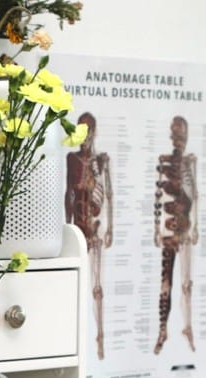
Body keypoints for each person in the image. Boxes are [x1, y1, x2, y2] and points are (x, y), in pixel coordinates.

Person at [65, 112, 112, 360]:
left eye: (88, 130)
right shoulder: (71, 159)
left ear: (94, 133)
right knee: (75, 285)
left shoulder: (101, 161)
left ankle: (99, 338)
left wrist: (110, 227)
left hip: (94, 228)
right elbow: (68, 194)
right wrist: (65, 227)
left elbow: (109, 195)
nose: (84, 135)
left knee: (96, 286)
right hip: (77, 230)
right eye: (81, 129)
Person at [152, 115, 199, 354]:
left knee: (186, 284)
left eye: (182, 134)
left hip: (184, 230)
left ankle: (188, 328)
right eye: (176, 134)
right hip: (170, 231)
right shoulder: (165, 161)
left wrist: (195, 227)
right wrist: (157, 229)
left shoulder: (190, 162)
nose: (178, 139)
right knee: (165, 284)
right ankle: (162, 330)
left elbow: (195, 196)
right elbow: (159, 198)